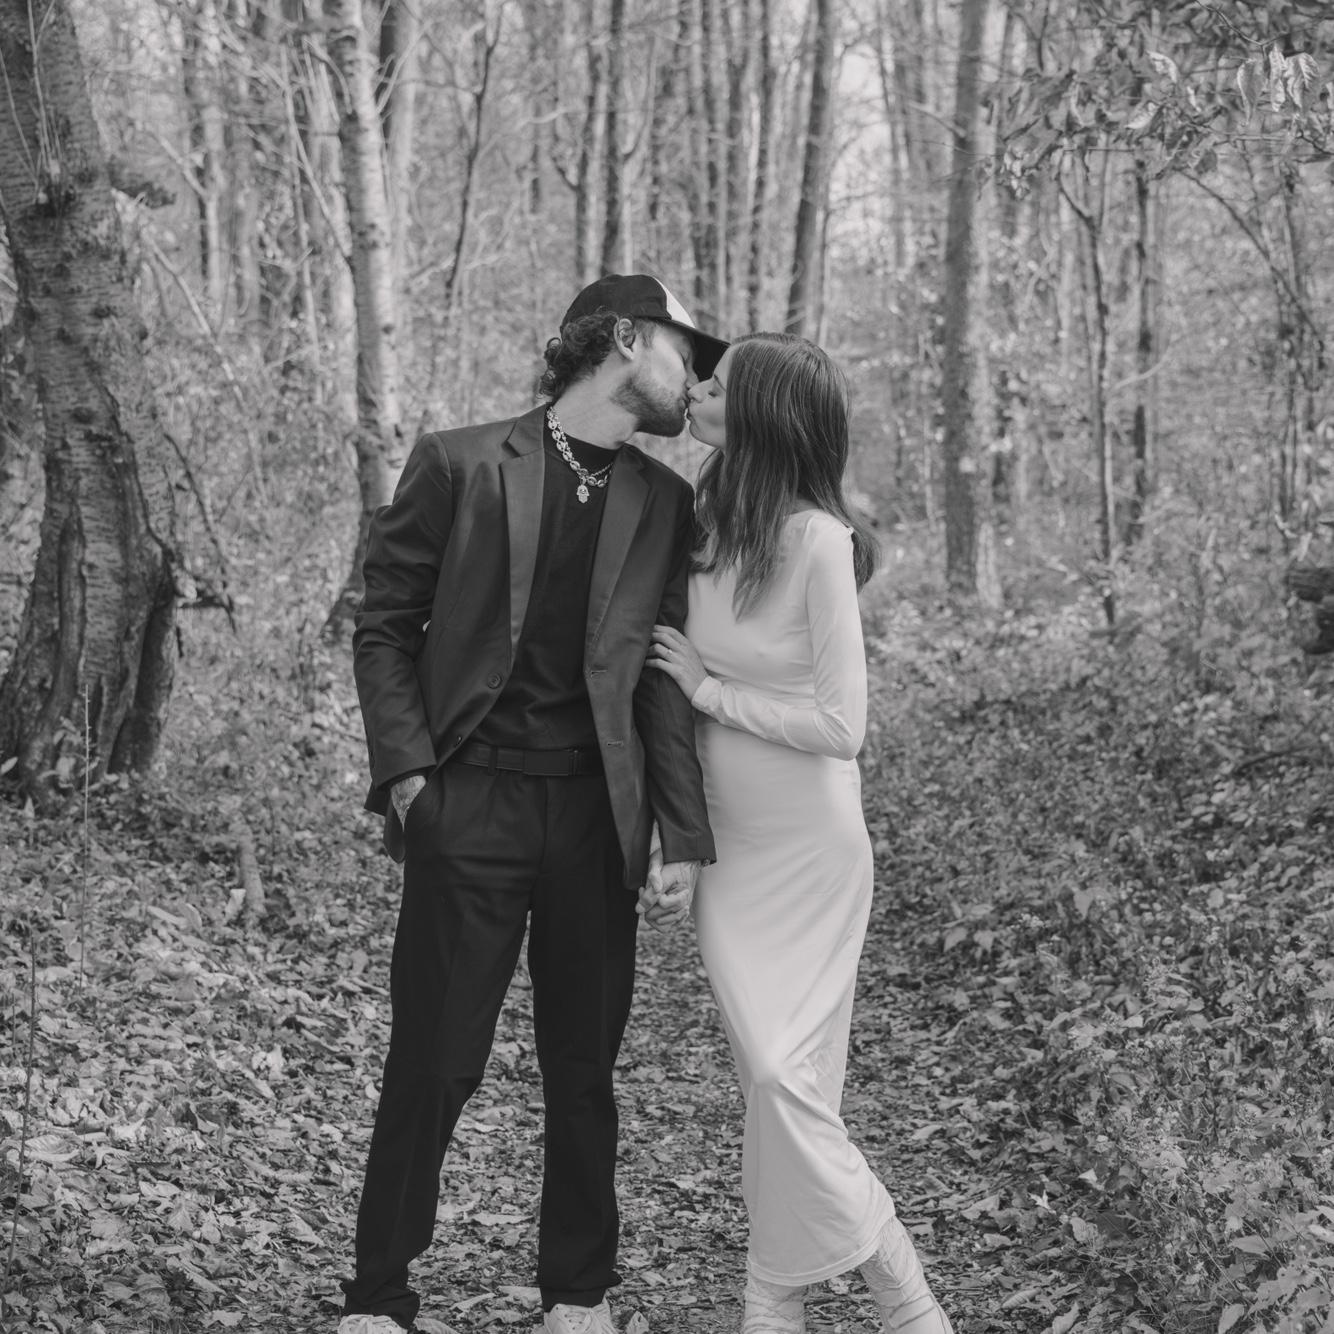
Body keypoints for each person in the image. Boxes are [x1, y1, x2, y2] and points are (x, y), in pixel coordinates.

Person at [341, 274, 725, 1334]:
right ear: (625, 340)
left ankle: (577, 1292)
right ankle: (378, 1295)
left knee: (583, 1067)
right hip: (469, 803)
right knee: (434, 1058)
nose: (693, 378)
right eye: (684, 352)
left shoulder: (667, 502)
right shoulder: (459, 462)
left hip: (596, 820)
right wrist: (410, 779)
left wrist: (679, 831)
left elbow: (659, 678)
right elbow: (384, 625)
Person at [643, 332, 954, 1334]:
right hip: (732, 854)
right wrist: (671, 830)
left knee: (785, 1080)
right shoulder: (700, 524)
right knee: (774, 1089)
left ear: (766, 415)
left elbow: (841, 725)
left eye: (720, 383)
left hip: (813, 852)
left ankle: (883, 1292)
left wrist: (710, 689)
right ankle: (784, 1291)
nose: (697, 389)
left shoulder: (820, 541)